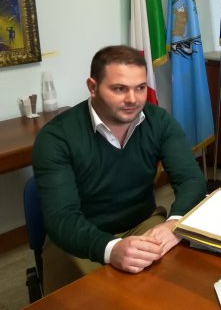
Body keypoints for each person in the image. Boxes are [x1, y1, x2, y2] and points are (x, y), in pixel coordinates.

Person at [32, 45, 206, 293]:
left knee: (177, 286)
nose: (133, 99)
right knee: (101, 298)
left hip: (143, 224)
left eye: (140, 88)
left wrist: (174, 224)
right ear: (92, 87)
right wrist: (111, 249)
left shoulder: (159, 121)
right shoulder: (56, 138)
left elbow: (191, 180)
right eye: (119, 89)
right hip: (80, 236)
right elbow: (62, 219)